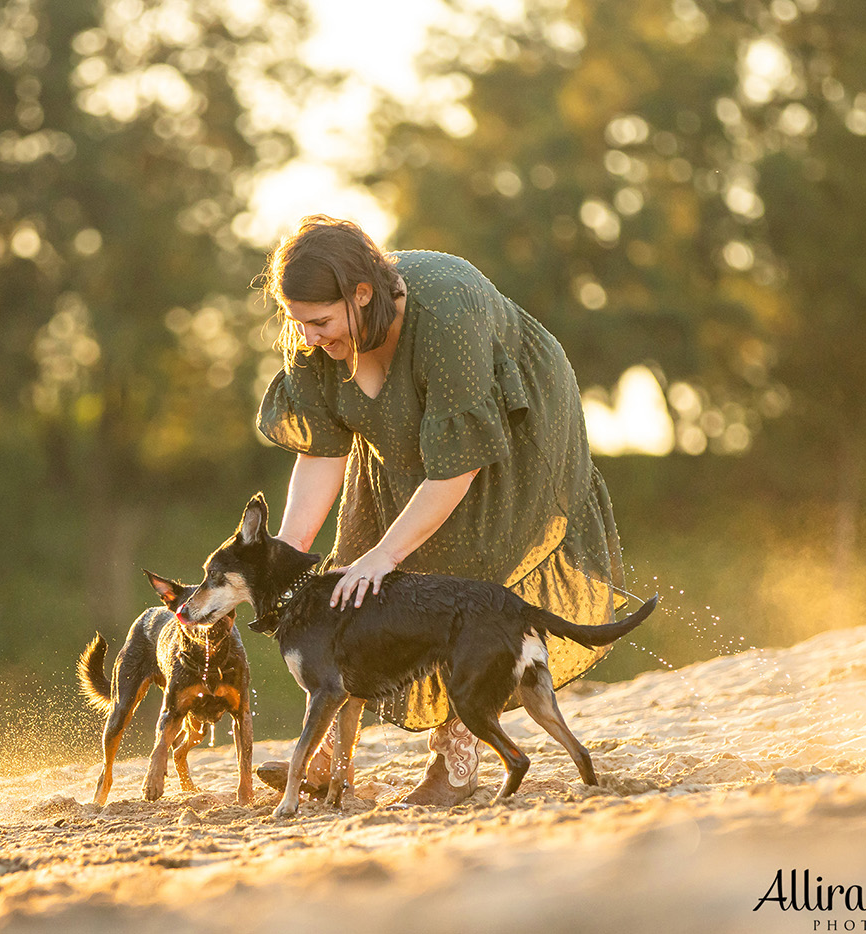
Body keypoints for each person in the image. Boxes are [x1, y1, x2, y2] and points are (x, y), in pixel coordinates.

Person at [254, 215, 628, 806]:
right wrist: (282, 566)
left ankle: (457, 758)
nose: (308, 338)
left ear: (362, 295)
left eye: (320, 323)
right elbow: (322, 454)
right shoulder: (314, 337)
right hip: (402, 437)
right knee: (348, 563)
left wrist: (387, 556)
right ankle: (327, 756)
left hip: (512, 423)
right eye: (298, 323)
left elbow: (456, 467)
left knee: (462, 561)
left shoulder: (447, 314)